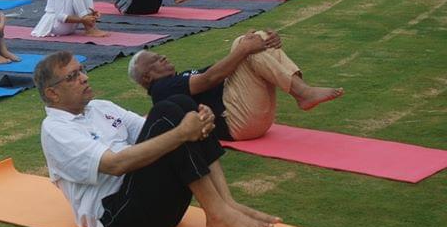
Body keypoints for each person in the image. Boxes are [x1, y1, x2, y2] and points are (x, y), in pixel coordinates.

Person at [35, 51, 278, 227]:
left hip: (151, 204)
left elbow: (149, 129)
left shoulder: (100, 107)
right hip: (119, 217)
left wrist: (199, 120)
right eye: (72, 76)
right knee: (170, 115)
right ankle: (216, 212)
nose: (84, 77)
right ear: (53, 94)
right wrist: (182, 131)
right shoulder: (56, 130)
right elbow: (116, 165)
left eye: (81, 70)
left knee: (180, 104)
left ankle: (226, 204)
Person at [128, 31, 344, 141]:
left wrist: (265, 41)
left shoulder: (181, 78)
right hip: (236, 123)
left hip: (250, 119)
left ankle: (302, 91)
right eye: (156, 60)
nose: (163, 57)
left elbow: (225, 69)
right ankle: (303, 93)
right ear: (147, 78)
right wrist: (245, 47)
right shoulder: (161, 88)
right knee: (243, 46)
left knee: (253, 41)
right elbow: (209, 79)